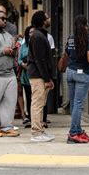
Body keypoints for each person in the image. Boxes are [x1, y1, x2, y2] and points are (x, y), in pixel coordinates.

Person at [66, 15, 89, 144]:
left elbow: (67, 54)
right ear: (85, 26)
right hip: (83, 74)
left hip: (70, 72)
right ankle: (73, 133)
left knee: (74, 104)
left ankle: (78, 130)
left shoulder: (70, 39)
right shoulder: (88, 39)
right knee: (78, 105)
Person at [27, 11, 55, 142]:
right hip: (38, 75)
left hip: (40, 75)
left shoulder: (40, 35)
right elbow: (39, 60)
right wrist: (47, 79)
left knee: (40, 103)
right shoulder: (38, 37)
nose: (49, 19)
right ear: (43, 21)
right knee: (37, 103)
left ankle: (40, 130)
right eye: (47, 17)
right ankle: (36, 132)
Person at [18, 26, 34, 128]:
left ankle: (38, 118)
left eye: (34, 32)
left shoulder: (37, 45)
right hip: (25, 76)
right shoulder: (23, 46)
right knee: (28, 97)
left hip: (35, 75)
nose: (32, 34)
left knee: (35, 98)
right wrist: (22, 64)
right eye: (30, 32)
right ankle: (29, 117)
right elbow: (19, 59)